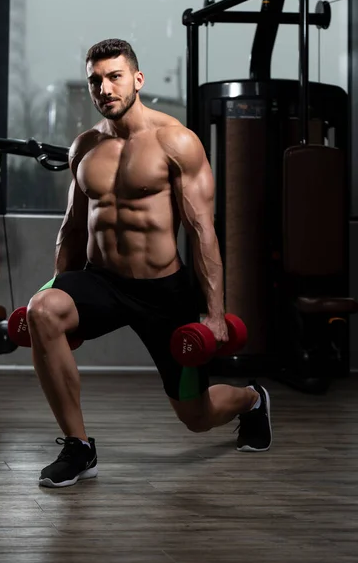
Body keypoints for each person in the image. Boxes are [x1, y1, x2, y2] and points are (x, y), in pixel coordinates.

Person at [27, 38, 272, 488]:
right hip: (101, 281)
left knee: (195, 416)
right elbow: (73, 230)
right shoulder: (84, 148)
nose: (104, 88)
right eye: (95, 81)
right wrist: (55, 289)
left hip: (163, 290)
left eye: (114, 76)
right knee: (42, 310)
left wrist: (215, 313)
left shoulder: (175, 141)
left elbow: (202, 231)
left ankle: (251, 400)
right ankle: (79, 447)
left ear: (137, 80)